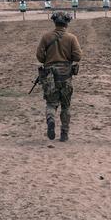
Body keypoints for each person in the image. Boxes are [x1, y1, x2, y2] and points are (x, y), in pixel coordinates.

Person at [36, 11, 83, 142]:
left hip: (50, 76)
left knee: (51, 103)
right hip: (66, 76)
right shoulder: (72, 38)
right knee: (66, 106)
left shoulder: (46, 37)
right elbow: (78, 56)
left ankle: (50, 119)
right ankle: (64, 133)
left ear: (54, 22)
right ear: (67, 23)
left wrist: (48, 59)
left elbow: (39, 56)